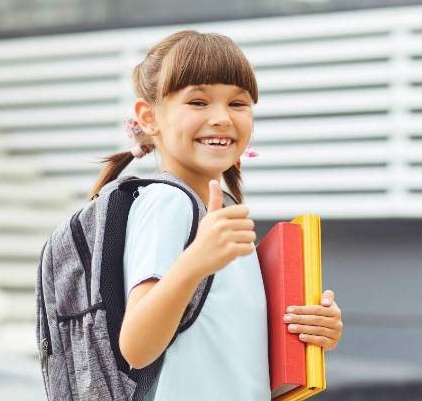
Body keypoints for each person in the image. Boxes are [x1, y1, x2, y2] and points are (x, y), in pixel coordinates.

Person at [88, 30, 344, 400]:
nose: (222, 118)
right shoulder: (167, 202)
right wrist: (195, 261)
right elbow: (136, 347)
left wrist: (313, 330)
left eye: (238, 104)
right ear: (149, 117)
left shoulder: (215, 210)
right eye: (197, 101)